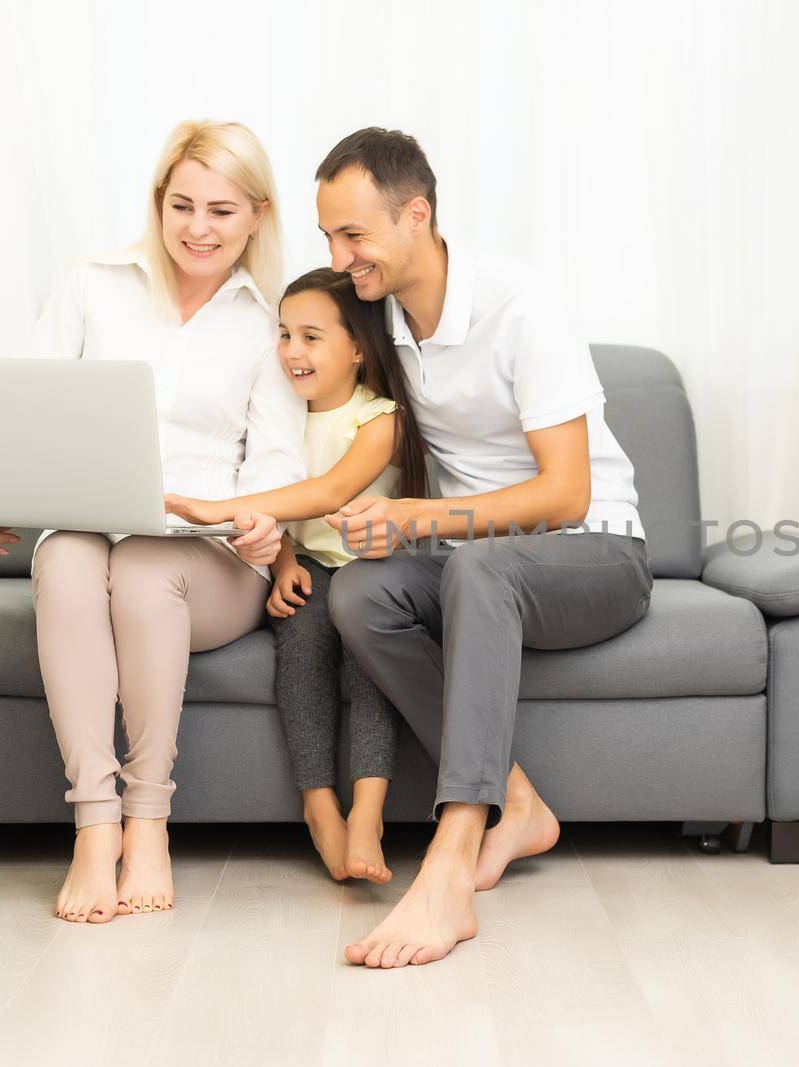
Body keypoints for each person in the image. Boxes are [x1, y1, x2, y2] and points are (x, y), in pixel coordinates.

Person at [315, 128, 653, 968]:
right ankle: (518, 801)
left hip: (595, 551)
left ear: (416, 215)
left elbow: (566, 492)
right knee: (358, 595)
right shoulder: (379, 314)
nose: (340, 254)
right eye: (328, 235)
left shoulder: (517, 305)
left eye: (353, 234)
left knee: (479, 561)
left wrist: (417, 519)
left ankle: (452, 860)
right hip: (480, 565)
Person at [0, 120, 307, 924]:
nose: (198, 227)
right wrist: (1, 491)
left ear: (258, 214)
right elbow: (29, 407)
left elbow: (278, 461)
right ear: (158, 203)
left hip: (211, 559)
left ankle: (148, 818)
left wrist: (260, 521)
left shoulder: (270, 322)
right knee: (70, 558)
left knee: (150, 567)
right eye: (182, 204)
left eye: (222, 210)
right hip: (95, 531)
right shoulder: (93, 284)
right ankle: (96, 825)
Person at [163, 267, 428, 884]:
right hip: (306, 564)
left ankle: (368, 812)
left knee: (368, 663)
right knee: (302, 651)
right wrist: (280, 564)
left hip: (374, 569)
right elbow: (271, 507)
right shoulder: (273, 415)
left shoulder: (379, 418)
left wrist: (217, 512)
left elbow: (327, 492)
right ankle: (318, 807)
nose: (291, 352)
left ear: (359, 348)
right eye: (283, 335)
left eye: (311, 337)